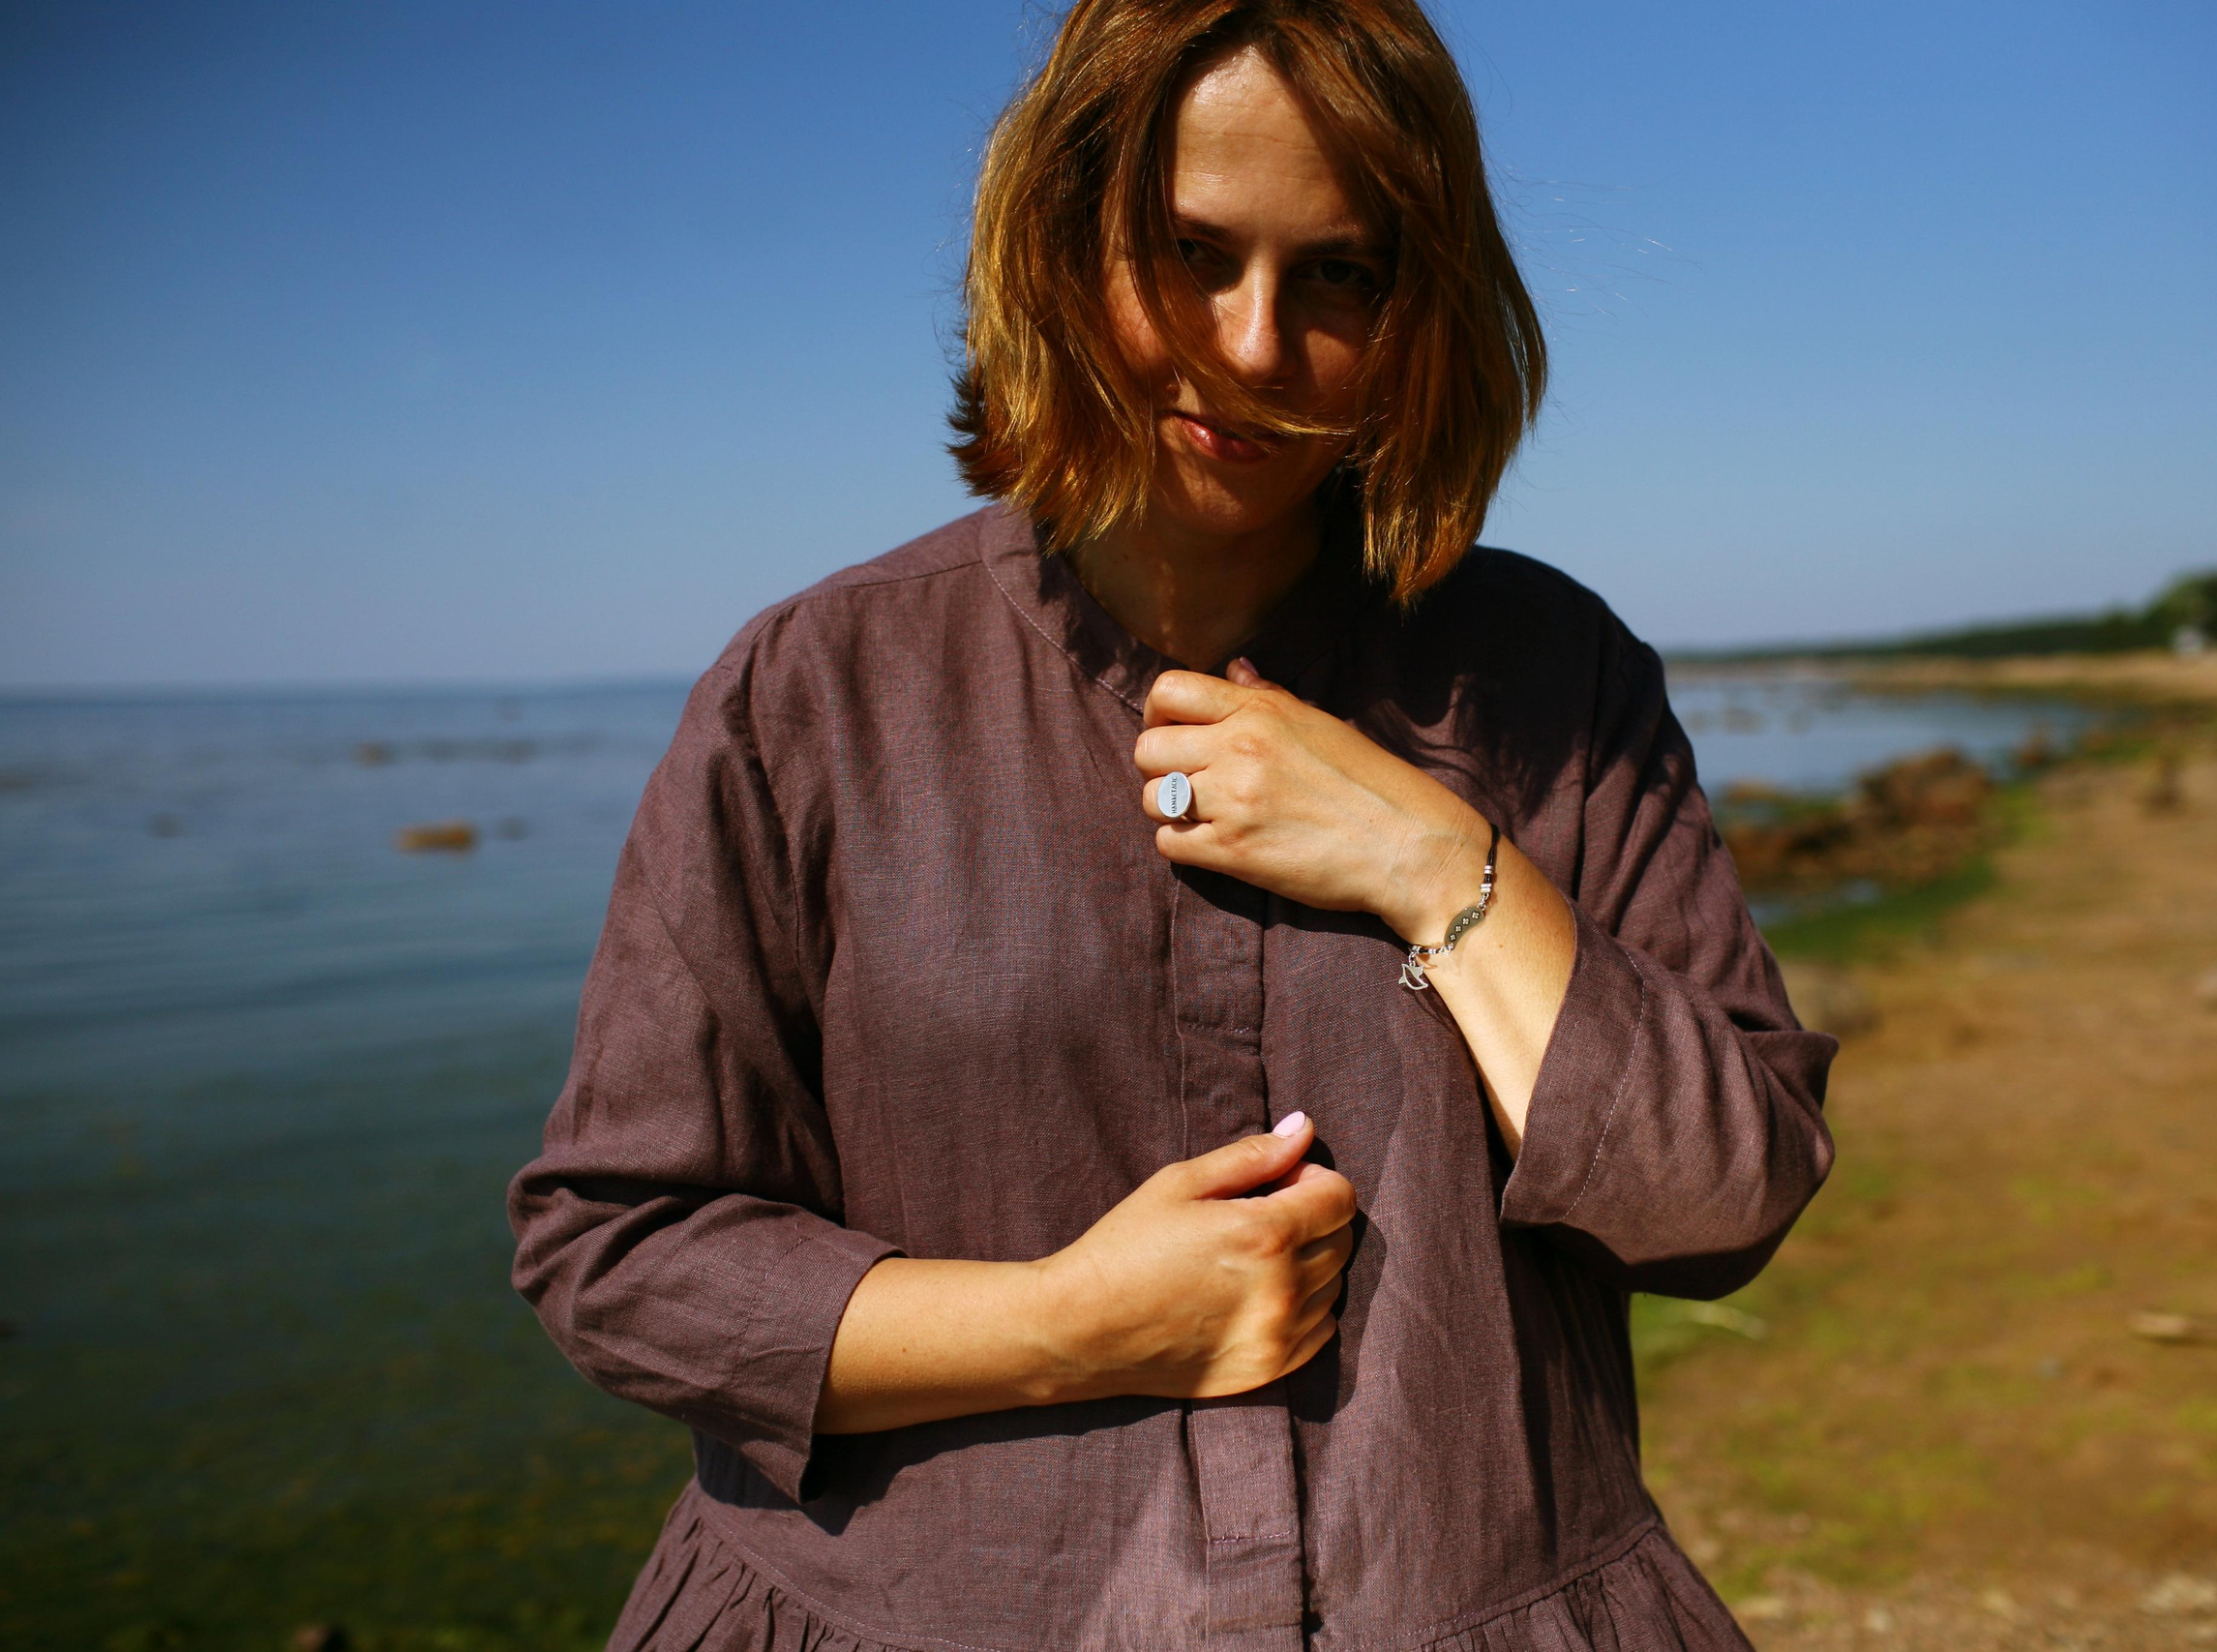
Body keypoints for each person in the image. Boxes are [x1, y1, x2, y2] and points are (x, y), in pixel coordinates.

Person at [508, 1, 1836, 1646]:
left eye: (1338, 273)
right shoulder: (816, 693)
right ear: (1059, 245)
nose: (1257, 348)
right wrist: (1069, 1323)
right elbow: (622, 1252)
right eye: (1190, 254)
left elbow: (1727, 1202)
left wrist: (1434, 863)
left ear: (1423, 311)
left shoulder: (1554, 682)